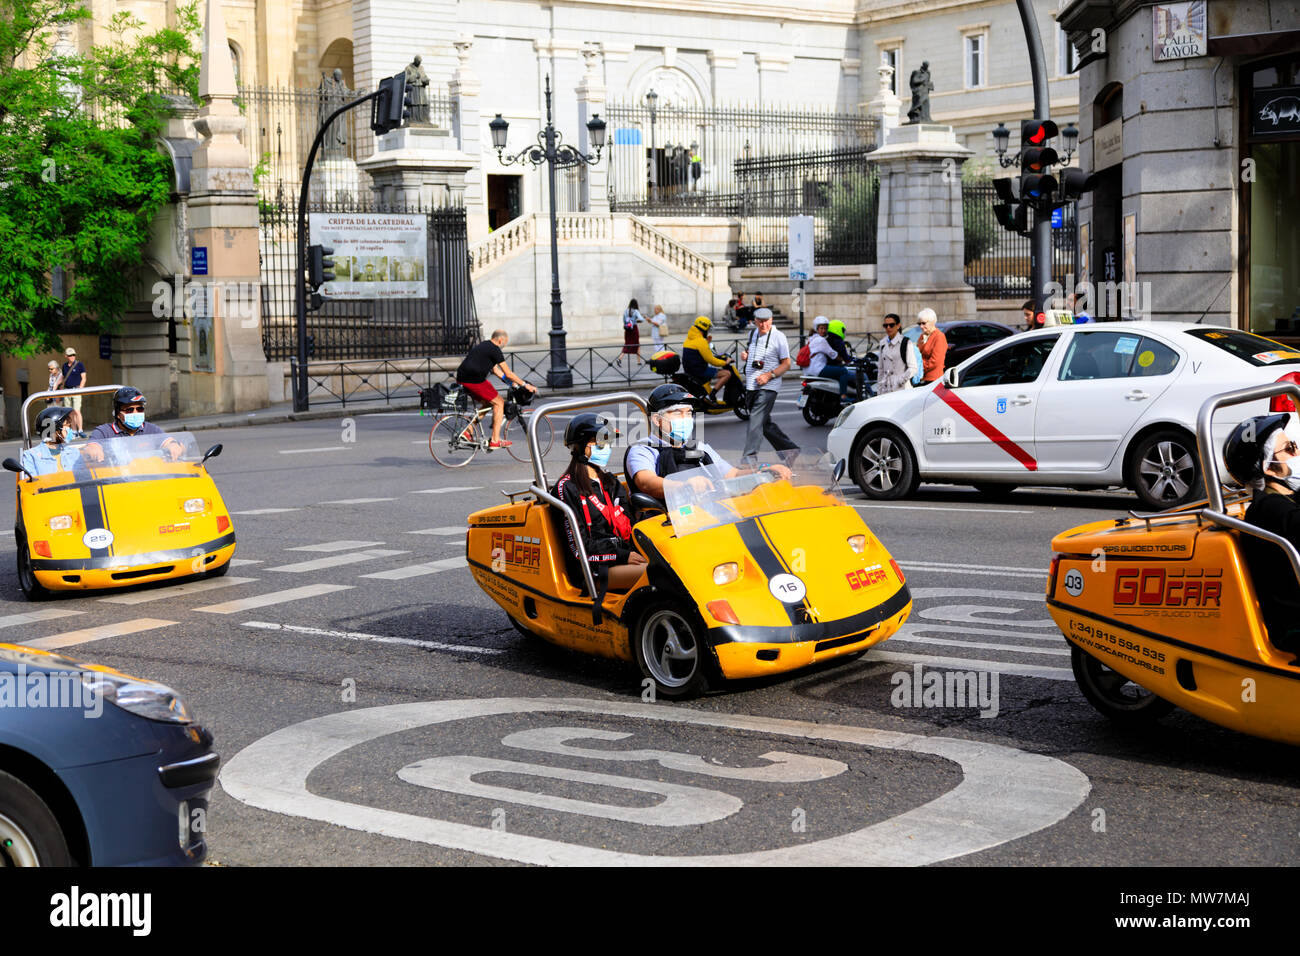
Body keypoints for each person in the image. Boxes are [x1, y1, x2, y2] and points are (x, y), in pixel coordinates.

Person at [1224, 414, 1300, 654]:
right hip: (1293, 626)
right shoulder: (1270, 509)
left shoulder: (1288, 496)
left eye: (1295, 445)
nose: (1296, 453)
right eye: (1289, 448)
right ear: (1268, 466)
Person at [554, 413, 648, 594]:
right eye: (601, 443)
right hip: (595, 569)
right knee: (658, 573)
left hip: (627, 556)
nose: (607, 448)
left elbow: (630, 524)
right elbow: (578, 548)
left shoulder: (611, 482)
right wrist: (623, 556)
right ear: (582, 446)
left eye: (609, 443)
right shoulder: (566, 488)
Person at [455, 329, 536, 449]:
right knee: (499, 403)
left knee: (489, 403)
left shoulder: (485, 345)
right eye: (505, 343)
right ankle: (495, 440)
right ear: (500, 340)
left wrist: (512, 384)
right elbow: (508, 373)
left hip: (463, 378)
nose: (504, 346)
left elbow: (496, 371)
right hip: (474, 380)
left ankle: (468, 431)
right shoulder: (495, 349)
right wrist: (525, 384)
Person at [741, 307, 799, 462]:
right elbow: (753, 352)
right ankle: (790, 450)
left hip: (768, 386)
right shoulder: (752, 334)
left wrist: (769, 375)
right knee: (764, 424)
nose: (763, 325)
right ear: (754, 321)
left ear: (772, 320)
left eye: (766, 321)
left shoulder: (779, 336)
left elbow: (786, 364)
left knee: (755, 420)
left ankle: (749, 460)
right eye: (760, 321)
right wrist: (746, 355)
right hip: (751, 385)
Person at [81, 386, 185, 462]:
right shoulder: (104, 431)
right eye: (130, 410)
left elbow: (169, 442)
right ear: (118, 413)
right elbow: (92, 446)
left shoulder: (151, 429)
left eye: (139, 409)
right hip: (117, 483)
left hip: (149, 479)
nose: (136, 413)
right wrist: (93, 450)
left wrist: (174, 446)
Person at [19, 406, 83, 477]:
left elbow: (83, 479)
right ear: (54, 430)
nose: (70, 430)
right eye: (67, 426)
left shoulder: (74, 452)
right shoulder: (31, 456)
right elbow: (30, 484)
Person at [681, 316, 731, 399]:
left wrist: (707, 342)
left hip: (689, 371)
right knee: (727, 374)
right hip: (700, 371)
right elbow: (711, 360)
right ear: (704, 328)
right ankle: (712, 394)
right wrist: (725, 362)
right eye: (708, 329)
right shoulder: (701, 341)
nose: (708, 331)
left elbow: (698, 353)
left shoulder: (689, 339)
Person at [874, 312, 918, 395]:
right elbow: (881, 370)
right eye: (885, 325)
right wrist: (879, 391)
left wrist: (900, 380)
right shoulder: (882, 343)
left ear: (898, 326)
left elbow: (913, 368)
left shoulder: (906, 342)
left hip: (902, 389)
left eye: (891, 325)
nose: (888, 328)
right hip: (886, 389)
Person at [58, 347, 87, 436]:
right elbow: (63, 377)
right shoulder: (64, 366)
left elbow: (84, 378)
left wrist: (80, 389)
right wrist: (57, 387)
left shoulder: (80, 365)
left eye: (73, 355)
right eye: (70, 355)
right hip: (67, 390)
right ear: (66, 356)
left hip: (76, 390)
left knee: (77, 410)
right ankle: (74, 430)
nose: (72, 357)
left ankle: (80, 430)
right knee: (70, 412)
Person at [917, 308, 948, 384]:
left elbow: (935, 362)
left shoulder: (939, 336)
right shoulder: (922, 336)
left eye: (924, 323)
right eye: (919, 324)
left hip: (934, 380)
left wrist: (919, 366)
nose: (921, 326)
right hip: (921, 377)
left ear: (932, 322)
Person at [620, 298, 644, 369]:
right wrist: (635, 321)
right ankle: (638, 361)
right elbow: (641, 319)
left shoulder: (626, 311)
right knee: (637, 344)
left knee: (627, 344)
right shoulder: (636, 311)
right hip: (634, 330)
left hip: (627, 330)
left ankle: (620, 358)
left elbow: (624, 321)